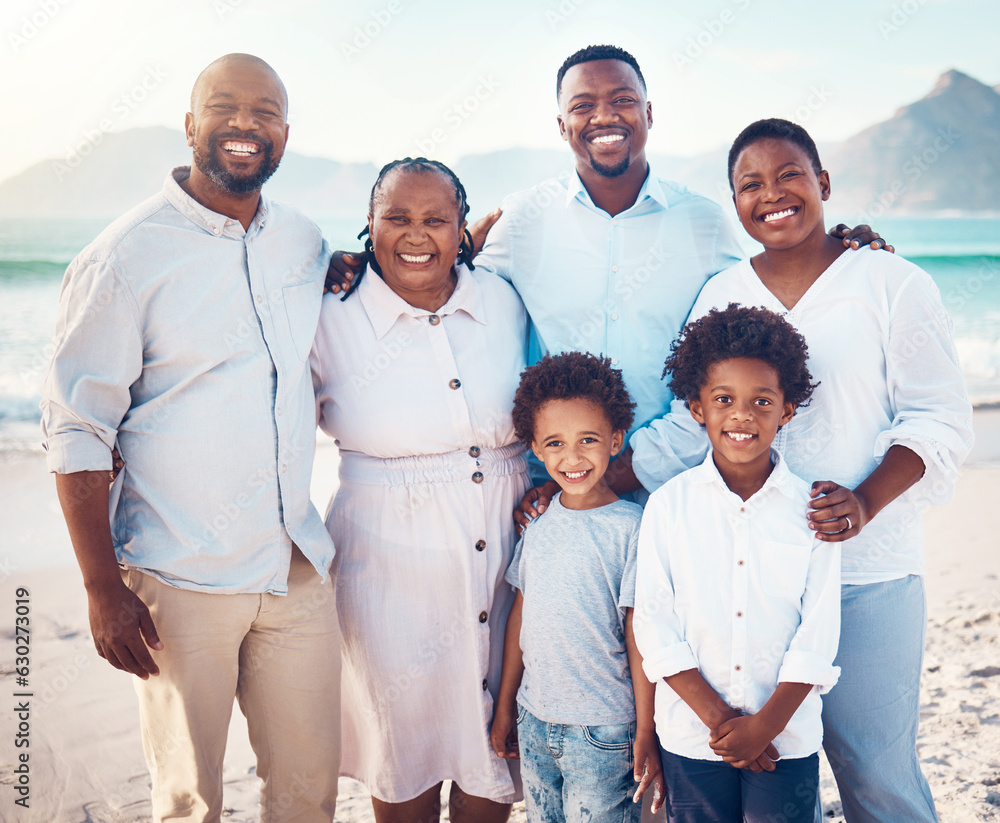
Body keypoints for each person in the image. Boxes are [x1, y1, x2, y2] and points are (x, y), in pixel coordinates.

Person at [327, 44, 888, 514]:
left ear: (649, 112)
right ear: (561, 123)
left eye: (622, 100)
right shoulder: (525, 219)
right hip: (556, 489)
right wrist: (361, 263)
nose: (605, 116)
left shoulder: (701, 221)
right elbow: (444, 274)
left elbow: (760, 296)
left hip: (679, 487)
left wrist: (838, 244)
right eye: (583, 104)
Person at [631, 119, 974, 821]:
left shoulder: (890, 280)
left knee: (878, 772)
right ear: (734, 203)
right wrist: (590, 476)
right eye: (749, 184)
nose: (772, 194)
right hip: (748, 579)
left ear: (823, 183)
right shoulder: (722, 291)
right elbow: (686, 421)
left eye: (789, 174)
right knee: (777, 778)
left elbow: (939, 416)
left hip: (868, 573)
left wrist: (866, 501)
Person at [40, 54, 340, 821]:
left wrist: (452, 240)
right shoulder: (125, 255)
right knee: (189, 801)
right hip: (178, 575)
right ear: (190, 125)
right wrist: (102, 589)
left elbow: (367, 287)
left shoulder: (303, 240)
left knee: (309, 790)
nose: (246, 125)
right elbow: (77, 427)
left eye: (265, 111)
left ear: (284, 132)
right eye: (226, 108)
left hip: (293, 568)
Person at [309, 157, 529, 823]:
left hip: (508, 554)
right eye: (397, 217)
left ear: (463, 228)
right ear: (368, 224)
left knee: (494, 751)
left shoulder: (503, 297)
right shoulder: (326, 317)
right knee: (401, 746)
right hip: (386, 564)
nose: (416, 234)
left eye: (436, 219)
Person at [634, 303, 841, 823]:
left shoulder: (811, 512)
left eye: (761, 401)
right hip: (692, 736)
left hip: (785, 738)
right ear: (697, 408)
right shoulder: (669, 505)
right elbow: (654, 624)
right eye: (723, 399)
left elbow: (816, 637)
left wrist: (764, 728)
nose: (742, 415)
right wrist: (721, 722)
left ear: (787, 410)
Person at [489, 352, 665, 822]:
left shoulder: (632, 528)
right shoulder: (539, 522)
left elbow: (639, 637)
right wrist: (507, 704)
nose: (572, 457)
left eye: (588, 440)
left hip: (604, 730)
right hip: (534, 718)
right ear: (536, 450)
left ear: (615, 440)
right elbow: (521, 617)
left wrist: (645, 728)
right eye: (555, 443)